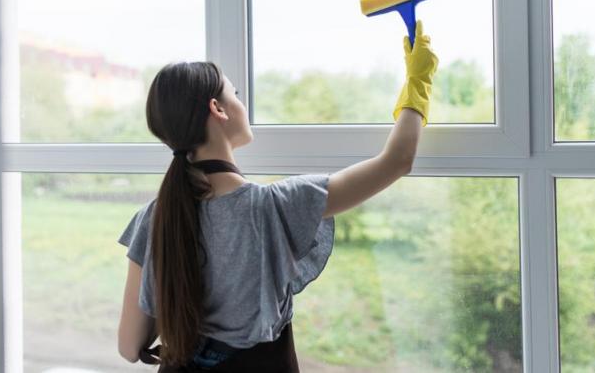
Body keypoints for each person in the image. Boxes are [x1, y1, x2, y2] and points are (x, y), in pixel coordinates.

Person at [117, 20, 439, 372]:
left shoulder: (156, 217)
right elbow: (396, 161)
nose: (240, 102)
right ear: (218, 109)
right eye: (234, 94)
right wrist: (417, 81)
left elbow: (130, 346)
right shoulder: (274, 208)